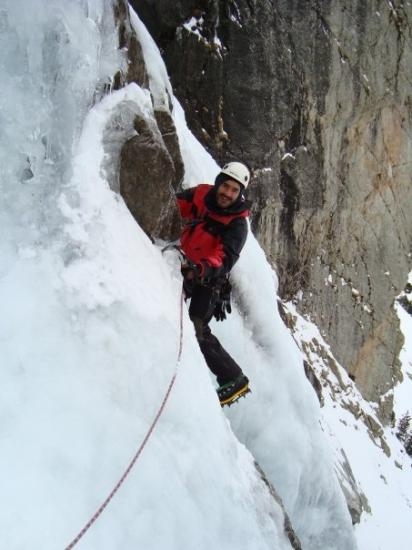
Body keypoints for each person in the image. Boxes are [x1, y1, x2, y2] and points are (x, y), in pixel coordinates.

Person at [176, 161, 251, 406]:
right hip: (187, 266)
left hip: (209, 279)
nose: (228, 193)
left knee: (197, 326)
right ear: (219, 183)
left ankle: (233, 378)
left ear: (240, 194)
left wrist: (204, 268)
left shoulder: (238, 224)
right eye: (226, 186)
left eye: (234, 190)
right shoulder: (201, 194)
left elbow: (225, 257)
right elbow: (175, 205)